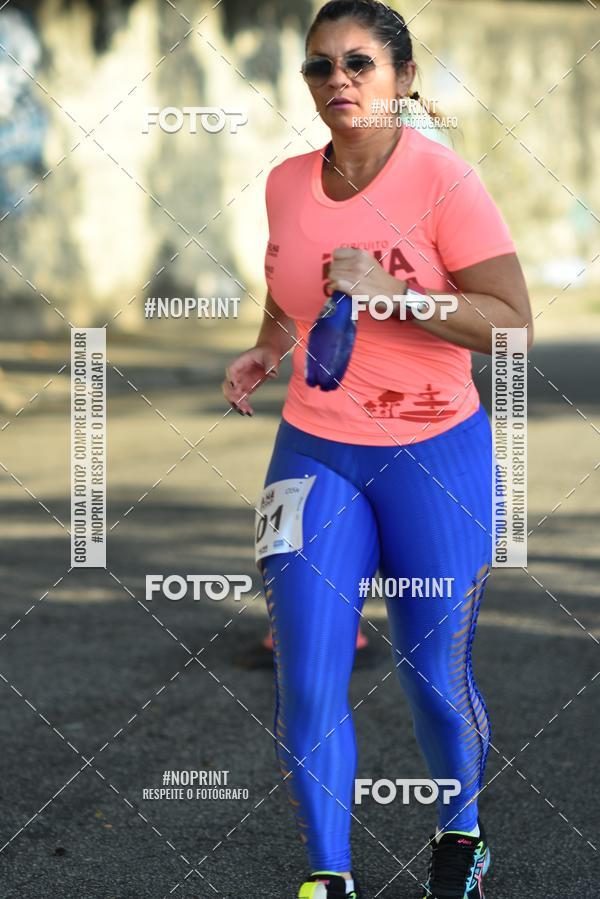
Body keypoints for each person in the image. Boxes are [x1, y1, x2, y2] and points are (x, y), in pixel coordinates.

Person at [222, 2, 533, 897]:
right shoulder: (285, 182)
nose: (338, 82)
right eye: (320, 67)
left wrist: (391, 293)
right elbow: (293, 284)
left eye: (359, 64)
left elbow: (512, 326)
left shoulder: (445, 182)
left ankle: (461, 831)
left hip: (436, 452)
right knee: (310, 667)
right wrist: (269, 346)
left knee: (431, 669)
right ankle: (329, 876)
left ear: (400, 78)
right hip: (315, 451)